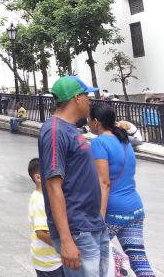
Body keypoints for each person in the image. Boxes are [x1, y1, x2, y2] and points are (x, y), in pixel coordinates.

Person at [38, 76, 109, 277]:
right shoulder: (54, 131)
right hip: (78, 229)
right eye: (87, 95)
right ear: (77, 98)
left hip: (92, 224)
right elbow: (53, 186)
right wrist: (66, 239)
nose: (90, 101)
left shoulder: (70, 129)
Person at [88, 103, 154, 277]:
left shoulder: (99, 143)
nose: (88, 123)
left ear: (96, 122)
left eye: (89, 119)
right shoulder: (124, 141)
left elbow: (104, 182)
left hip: (113, 211)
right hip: (135, 209)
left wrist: (100, 217)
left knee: (91, 257)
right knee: (139, 260)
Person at [28, 157, 64, 276]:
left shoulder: (44, 197)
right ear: (38, 178)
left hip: (49, 259)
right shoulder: (40, 201)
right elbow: (41, 233)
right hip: (49, 261)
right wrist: (63, 248)